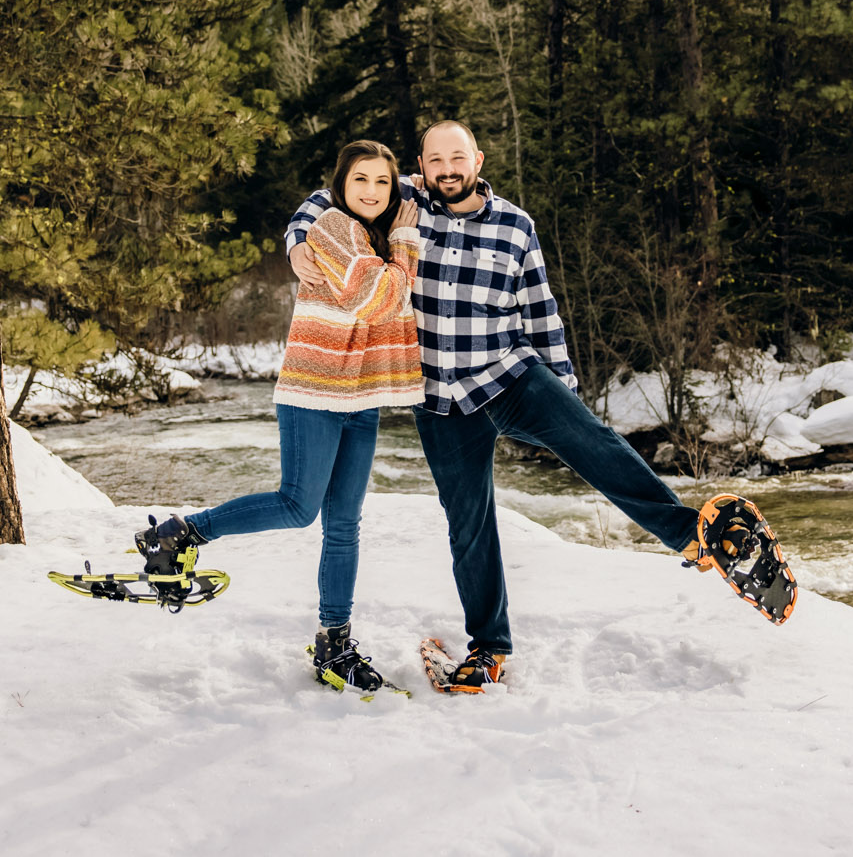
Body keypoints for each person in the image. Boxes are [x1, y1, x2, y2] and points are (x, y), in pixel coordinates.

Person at [285, 120, 762, 694]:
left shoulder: (515, 224)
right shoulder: (406, 202)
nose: (447, 169)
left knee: (594, 444)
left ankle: (693, 535)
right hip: (439, 398)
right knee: (469, 525)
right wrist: (295, 243)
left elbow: (540, 306)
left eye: (457, 158)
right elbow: (327, 200)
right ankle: (489, 647)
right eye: (435, 161)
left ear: (478, 159)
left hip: (509, 372)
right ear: (422, 165)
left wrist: (561, 384)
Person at [138, 139, 422, 694]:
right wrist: (407, 243)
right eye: (359, 179)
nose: (371, 191)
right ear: (340, 185)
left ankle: (334, 640)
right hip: (314, 388)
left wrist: (405, 220)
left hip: (360, 395)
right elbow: (381, 295)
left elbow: (425, 190)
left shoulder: (378, 230)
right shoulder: (334, 228)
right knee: (298, 506)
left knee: (344, 525)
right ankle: (180, 534)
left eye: (383, 183)